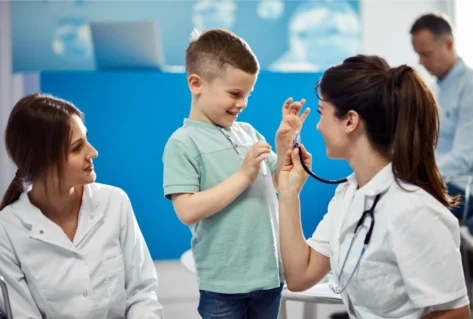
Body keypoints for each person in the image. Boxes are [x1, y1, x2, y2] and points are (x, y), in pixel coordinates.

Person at [277, 55, 470, 318]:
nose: (319, 126)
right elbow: (300, 276)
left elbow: (455, 313)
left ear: (350, 121)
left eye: (322, 113)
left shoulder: (415, 211)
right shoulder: (348, 195)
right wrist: (289, 192)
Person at [162, 29, 309, 318]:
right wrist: (243, 176)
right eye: (234, 93)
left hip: (268, 278)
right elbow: (187, 211)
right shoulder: (182, 142)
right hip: (222, 286)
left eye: (247, 95)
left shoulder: (248, 133)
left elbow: (280, 184)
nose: (242, 103)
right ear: (196, 83)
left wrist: (284, 143)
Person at [0, 93, 163, 318]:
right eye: (77, 148)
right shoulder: (7, 229)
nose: (93, 152)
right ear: (43, 161)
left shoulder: (115, 202)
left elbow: (142, 293)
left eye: (86, 139)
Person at [411, 13, 473, 220]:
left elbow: (462, 158)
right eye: (418, 54)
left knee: (406, 208)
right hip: (445, 182)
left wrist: (417, 176)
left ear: (449, 44)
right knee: (390, 198)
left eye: (426, 54)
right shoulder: (435, 90)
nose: (421, 62)